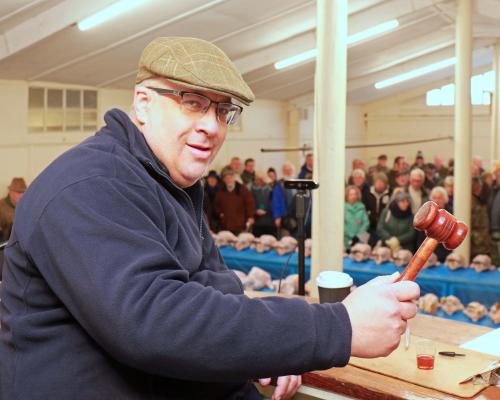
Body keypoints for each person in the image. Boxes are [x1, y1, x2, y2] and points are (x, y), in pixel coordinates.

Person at [0, 37, 419, 400]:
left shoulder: (171, 185)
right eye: (192, 104)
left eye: (222, 112)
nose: (211, 126)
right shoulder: (91, 186)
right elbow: (153, 321)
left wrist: (274, 348)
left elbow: (217, 291)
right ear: (142, 104)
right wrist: (339, 327)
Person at [214, 169, 255, 235]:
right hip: (226, 225)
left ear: (234, 178)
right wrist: (220, 213)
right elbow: (216, 205)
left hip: (240, 225)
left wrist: (250, 216)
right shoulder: (221, 191)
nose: (229, 180)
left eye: (230, 177)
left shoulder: (242, 189)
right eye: (226, 178)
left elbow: (250, 204)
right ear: (224, 180)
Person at [0, 177, 27, 242]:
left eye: (22, 192)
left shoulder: (26, 205)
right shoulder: (1, 205)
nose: (21, 195)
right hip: (6, 244)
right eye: (18, 192)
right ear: (10, 192)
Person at [344, 186, 370, 250]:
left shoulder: (362, 207)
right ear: (347, 196)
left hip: (360, 239)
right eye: (351, 194)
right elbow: (341, 224)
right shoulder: (343, 208)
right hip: (346, 239)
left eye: (355, 194)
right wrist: (351, 234)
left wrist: (358, 235)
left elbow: (366, 223)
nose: (353, 197)